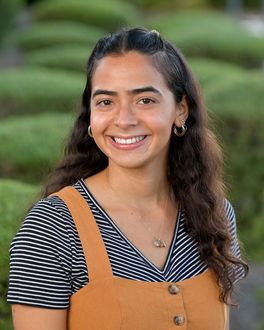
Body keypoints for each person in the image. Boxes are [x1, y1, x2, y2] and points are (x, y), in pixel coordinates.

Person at [7, 27, 248, 329]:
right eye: (106, 102)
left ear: (181, 110)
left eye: (145, 100)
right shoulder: (52, 228)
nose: (124, 120)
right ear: (91, 117)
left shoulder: (215, 215)